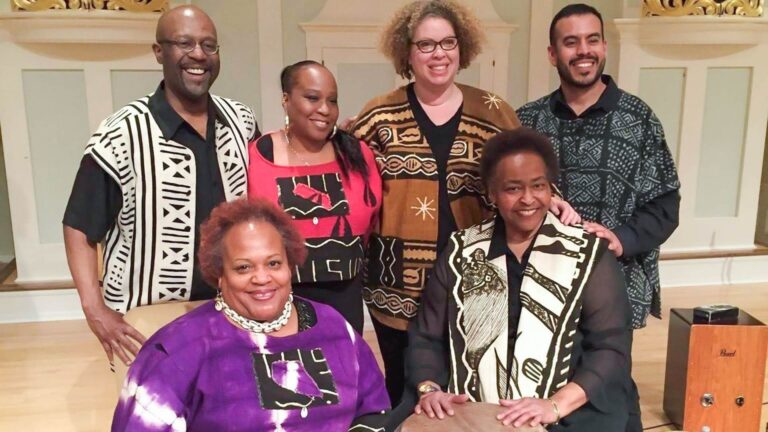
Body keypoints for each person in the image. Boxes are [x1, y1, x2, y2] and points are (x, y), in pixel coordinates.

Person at [62, 4, 259, 367]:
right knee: (155, 421)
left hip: (233, 307)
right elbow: (79, 226)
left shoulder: (240, 121)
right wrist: (94, 310)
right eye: (184, 43)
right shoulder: (120, 134)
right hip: (150, 315)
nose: (198, 54)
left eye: (209, 45)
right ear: (159, 52)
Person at [516, 4, 681, 430]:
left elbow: (666, 202)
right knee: (543, 386)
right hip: (542, 284)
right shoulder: (528, 121)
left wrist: (621, 237)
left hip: (615, 284)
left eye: (592, 40)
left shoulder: (638, 119)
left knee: (610, 384)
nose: (582, 50)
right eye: (570, 42)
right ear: (553, 53)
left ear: (604, 47)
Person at [349, 0, 522, 405]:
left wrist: (558, 205)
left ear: (462, 48)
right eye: (425, 45)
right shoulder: (379, 115)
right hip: (396, 286)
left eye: (447, 42)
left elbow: (526, 178)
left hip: (477, 280)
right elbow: (351, 186)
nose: (438, 53)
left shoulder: (494, 113)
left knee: (475, 390)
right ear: (406, 52)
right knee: (406, 391)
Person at [406, 128, 632, 431]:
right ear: (492, 193)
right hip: (475, 407)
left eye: (538, 185)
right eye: (513, 188)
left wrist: (554, 405)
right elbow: (426, 337)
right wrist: (429, 388)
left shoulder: (587, 253)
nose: (528, 199)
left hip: (567, 410)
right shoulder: (462, 251)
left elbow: (611, 347)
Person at [112, 198, 390, 431]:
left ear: (290, 266)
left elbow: (374, 413)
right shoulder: (178, 348)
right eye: (244, 268)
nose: (262, 278)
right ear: (219, 274)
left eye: (273, 263)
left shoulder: (333, 328)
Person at [248, 61, 381, 333]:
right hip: (276, 304)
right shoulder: (257, 155)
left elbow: (372, 222)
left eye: (332, 101)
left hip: (345, 304)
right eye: (312, 98)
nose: (324, 109)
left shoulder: (356, 154)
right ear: (286, 100)